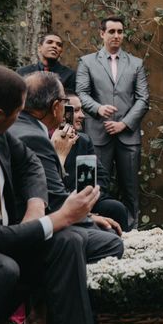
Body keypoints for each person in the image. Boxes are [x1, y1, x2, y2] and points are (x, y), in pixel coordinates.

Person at [0, 65, 108, 324]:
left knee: (68, 242)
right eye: (19, 112)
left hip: (12, 233)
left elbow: (30, 165)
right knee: (7, 268)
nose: (22, 119)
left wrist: (36, 206)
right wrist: (61, 217)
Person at [76, 16, 149, 229]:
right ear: (102, 34)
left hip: (128, 136)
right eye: (111, 31)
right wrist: (98, 109)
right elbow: (81, 92)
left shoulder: (136, 64)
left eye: (120, 31)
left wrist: (124, 124)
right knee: (94, 187)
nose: (116, 36)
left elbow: (143, 98)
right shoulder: (86, 62)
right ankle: (95, 230)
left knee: (131, 188)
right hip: (97, 135)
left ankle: (132, 232)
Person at [61, 92, 129, 230]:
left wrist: (89, 197)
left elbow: (101, 175)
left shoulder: (83, 140)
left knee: (117, 208)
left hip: (86, 198)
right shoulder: (47, 140)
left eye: (82, 110)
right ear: (61, 113)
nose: (82, 115)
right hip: (61, 201)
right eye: (75, 111)